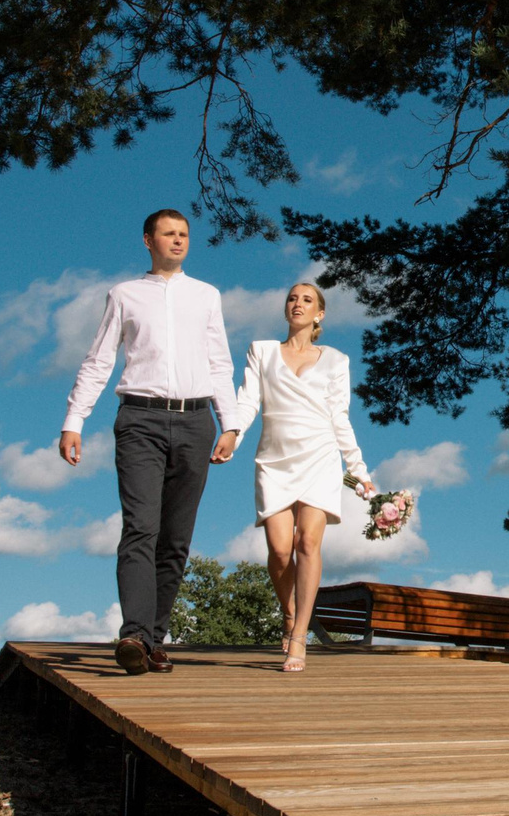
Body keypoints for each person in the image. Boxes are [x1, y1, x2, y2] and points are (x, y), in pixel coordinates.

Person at [57, 209, 240, 676]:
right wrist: (74, 420)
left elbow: (219, 363)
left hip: (196, 421)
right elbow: (99, 360)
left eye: (184, 234)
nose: (178, 241)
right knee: (141, 527)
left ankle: (153, 641)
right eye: (168, 234)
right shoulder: (124, 295)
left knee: (176, 540)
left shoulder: (206, 296)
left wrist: (231, 424)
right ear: (148, 240)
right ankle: (135, 634)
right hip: (140, 419)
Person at [220, 281, 374, 672]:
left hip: (320, 456)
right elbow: (248, 400)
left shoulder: (336, 360)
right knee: (278, 549)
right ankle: (288, 613)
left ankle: (300, 635)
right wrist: (233, 435)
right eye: (292, 298)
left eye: (307, 300)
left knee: (307, 541)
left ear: (319, 314)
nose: (298, 304)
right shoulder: (261, 351)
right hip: (274, 459)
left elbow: (339, 417)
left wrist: (358, 470)